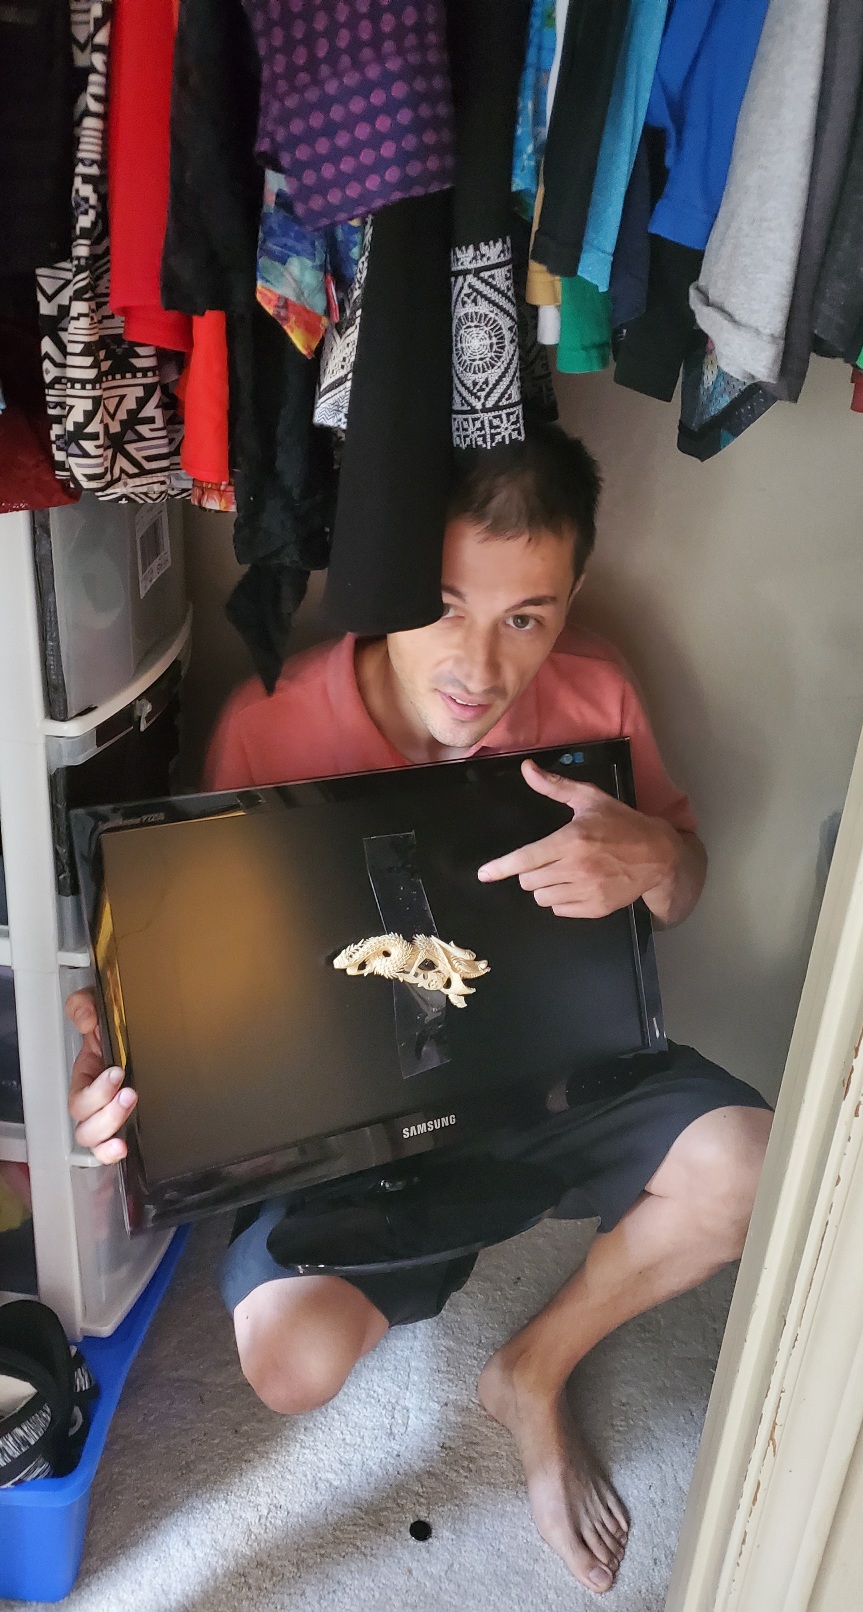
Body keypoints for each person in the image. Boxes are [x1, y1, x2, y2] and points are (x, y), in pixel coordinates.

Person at [67, 424, 772, 1596]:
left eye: (525, 617)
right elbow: (194, 968)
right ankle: (428, 1236)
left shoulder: (595, 693)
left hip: (552, 1070)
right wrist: (120, 1057)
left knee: (751, 1166)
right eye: (443, 605)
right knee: (288, 1364)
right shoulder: (270, 722)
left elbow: (682, 885)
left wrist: (656, 856)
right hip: (351, 1117)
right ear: (386, 580)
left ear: (571, 597)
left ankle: (531, 1372)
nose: (479, 666)